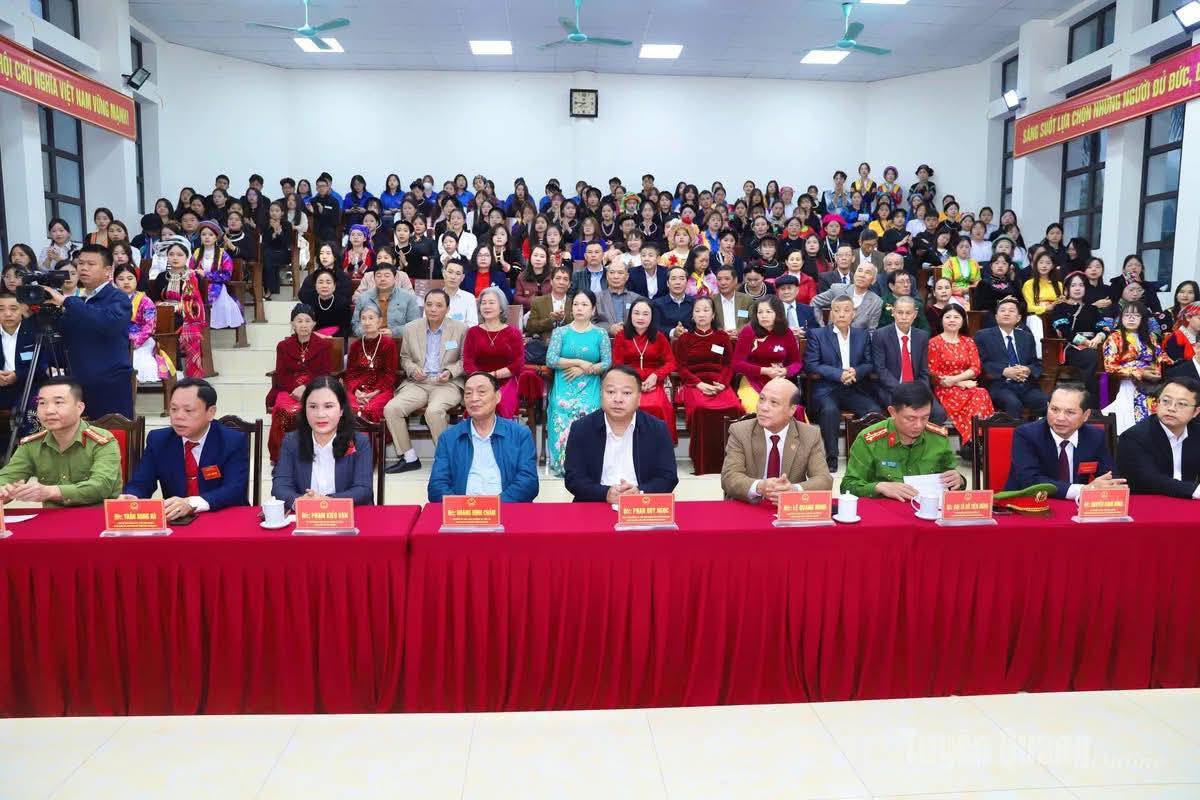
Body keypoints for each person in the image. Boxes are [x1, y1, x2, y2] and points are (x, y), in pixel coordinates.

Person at [121, 378, 249, 517]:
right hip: (177, 519)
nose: (178, 416)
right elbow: (141, 483)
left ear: (210, 412)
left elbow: (234, 490)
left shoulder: (232, 441)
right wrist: (133, 496)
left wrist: (191, 503)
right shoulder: (158, 440)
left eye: (188, 410)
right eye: (174, 409)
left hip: (222, 517)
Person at [42, 243, 134, 419]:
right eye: (81, 263)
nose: (83, 268)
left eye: (91, 264)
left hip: (109, 384)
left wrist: (66, 302)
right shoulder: (80, 301)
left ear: (108, 270)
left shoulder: (118, 298)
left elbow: (108, 323)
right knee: (77, 434)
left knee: (111, 433)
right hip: (76, 383)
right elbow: (63, 337)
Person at [563, 365, 679, 503]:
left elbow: (668, 477)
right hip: (595, 502)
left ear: (639, 398)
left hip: (642, 506)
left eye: (627, 393)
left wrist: (640, 492)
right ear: (601, 394)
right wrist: (605, 493)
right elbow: (573, 478)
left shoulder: (657, 429)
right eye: (611, 391)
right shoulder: (581, 428)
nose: (618, 399)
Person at [0, 378, 121, 507]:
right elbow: (7, 477)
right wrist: (4, 491)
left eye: (58, 402)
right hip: (51, 517)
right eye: (42, 403)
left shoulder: (102, 440)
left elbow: (102, 486)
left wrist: (51, 492)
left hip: (95, 516)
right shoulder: (31, 444)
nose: (49, 411)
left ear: (79, 408)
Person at [384, 290, 468, 473]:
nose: (433, 309)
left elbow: (465, 360)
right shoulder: (411, 328)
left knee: (434, 411)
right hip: (418, 383)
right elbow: (405, 358)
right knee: (392, 408)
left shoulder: (460, 329)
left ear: (447, 309)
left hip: (446, 383)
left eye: (439, 305)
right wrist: (413, 370)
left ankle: (447, 460)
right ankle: (409, 458)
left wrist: (450, 372)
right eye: (429, 305)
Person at [427, 372, 539, 502]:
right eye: (468, 393)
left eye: (481, 392)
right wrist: (463, 506)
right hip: (463, 511)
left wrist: (493, 506)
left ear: (497, 396)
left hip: (506, 508)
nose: (474, 398)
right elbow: (436, 486)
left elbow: (528, 483)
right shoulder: (448, 438)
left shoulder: (520, 434)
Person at [841, 381, 963, 499]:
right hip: (884, 509)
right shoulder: (870, 440)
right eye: (911, 418)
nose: (919, 425)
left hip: (925, 508)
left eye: (925, 418)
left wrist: (959, 480)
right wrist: (878, 487)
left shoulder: (938, 438)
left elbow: (951, 479)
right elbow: (847, 485)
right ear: (893, 412)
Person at [720, 377, 832, 502]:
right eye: (761, 399)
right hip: (749, 505)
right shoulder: (740, 431)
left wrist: (794, 490)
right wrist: (759, 487)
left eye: (774, 403)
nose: (763, 407)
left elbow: (824, 480)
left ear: (792, 410)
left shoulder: (809, 435)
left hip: (788, 508)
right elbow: (729, 478)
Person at [272, 376, 374, 508]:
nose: (320, 414)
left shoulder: (359, 442)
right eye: (313, 406)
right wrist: (299, 502)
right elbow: (280, 487)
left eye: (328, 406)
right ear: (305, 409)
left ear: (341, 410)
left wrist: (324, 501)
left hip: (347, 516)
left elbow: (363, 490)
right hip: (305, 516)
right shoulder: (291, 441)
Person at [1005, 383, 1121, 499]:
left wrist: (1108, 485)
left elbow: (1109, 477)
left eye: (1070, 412)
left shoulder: (1095, 436)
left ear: (1086, 415)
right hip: (1030, 503)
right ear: (1047, 407)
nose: (1060, 418)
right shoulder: (1026, 434)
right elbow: (1030, 481)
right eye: (1054, 409)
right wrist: (1083, 490)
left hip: (1075, 505)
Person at [806, 295, 881, 471]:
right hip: (827, 389)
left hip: (854, 388)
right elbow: (811, 364)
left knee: (874, 412)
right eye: (837, 310)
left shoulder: (862, 335)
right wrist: (838, 374)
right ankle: (831, 458)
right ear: (831, 313)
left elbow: (869, 363)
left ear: (853, 314)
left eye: (846, 310)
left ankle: (867, 457)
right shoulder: (818, 335)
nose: (841, 314)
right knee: (830, 411)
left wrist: (856, 371)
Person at [674, 296, 743, 474]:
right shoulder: (685, 339)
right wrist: (699, 384)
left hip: (720, 384)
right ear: (692, 316)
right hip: (694, 384)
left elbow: (729, 365)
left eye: (706, 310)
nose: (702, 314)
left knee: (734, 407)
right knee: (700, 409)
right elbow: (681, 367)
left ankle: (732, 462)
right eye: (697, 311)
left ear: (713, 315)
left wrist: (722, 384)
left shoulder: (722, 337)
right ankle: (703, 462)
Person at [546, 289, 611, 476]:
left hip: (589, 384)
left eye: (584, 305)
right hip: (564, 386)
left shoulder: (600, 334)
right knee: (560, 407)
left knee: (589, 409)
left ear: (593, 309)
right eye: (575, 304)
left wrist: (584, 369)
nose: (579, 308)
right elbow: (551, 360)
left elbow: (606, 362)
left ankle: (586, 465)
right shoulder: (560, 332)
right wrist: (579, 362)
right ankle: (563, 465)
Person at [266, 304, 334, 462]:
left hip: (316, 388)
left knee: (314, 410)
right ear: (293, 324)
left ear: (314, 324)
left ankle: (311, 454)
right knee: (283, 411)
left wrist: (306, 388)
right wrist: (295, 389)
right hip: (288, 388)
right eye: (299, 321)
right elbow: (281, 374)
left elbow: (324, 373)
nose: (303, 325)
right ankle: (280, 457)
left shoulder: (324, 346)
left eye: (307, 321)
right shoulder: (283, 346)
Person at [1116, 377, 1200, 498]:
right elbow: (1149, 480)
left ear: (1196, 412)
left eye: (1181, 404)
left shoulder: (1196, 433)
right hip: (1150, 502)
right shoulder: (1133, 438)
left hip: (1189, 501)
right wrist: (1194, 490)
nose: (1171, 408)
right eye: (1166, 401)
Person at [928, 303, 993, 452]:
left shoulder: (968, 342)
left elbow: (975, 368)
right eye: (948, 317)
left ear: (963, 320)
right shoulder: (934, 343)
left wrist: (956, 380)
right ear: (941, 320)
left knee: (981, 393)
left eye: (956, 317)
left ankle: (976, 441)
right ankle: (973, 443)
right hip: (945, 389)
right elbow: (934, 373)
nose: (952, 320)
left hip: (965, 385)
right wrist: (960, 383)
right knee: (976, 395)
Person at [611, 298, 677, 441]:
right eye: (636, 313)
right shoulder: (621, 336)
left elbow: (671, 363)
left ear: (652, 316)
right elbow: (617, 364)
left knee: (657, 406)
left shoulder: (659, 337)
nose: (640, 317)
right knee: (629, 406)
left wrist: (656, 376)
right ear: (630, 315)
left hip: (653, 382)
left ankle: (657, 445)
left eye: (645, 314)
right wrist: (634, 382)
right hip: (627, 382)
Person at [975, 297, 1048, 419]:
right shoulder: (983, 336)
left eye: (1011, 310)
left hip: (1025, 385)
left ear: (1018, 318)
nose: (1006, 313)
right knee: (1013, 404)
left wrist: (1028, 370)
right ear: (996, 317)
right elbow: (980, 363)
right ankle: (1014, 432)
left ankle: (1037, 430)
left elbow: (1035, 363)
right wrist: (1004, 371)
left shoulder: (1027, 337)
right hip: (1000, 385)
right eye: (1002, 310)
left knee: (1046, 402)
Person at [1101, 300, 1167, 433]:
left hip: (1151, 381)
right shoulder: (1114, 337)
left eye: (1136, 315)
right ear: (1121, 318)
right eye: (1127, 315)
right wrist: (1139, 372)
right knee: (1129, 413)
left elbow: (1161, 356)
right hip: (1128, 380)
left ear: (1143, 319)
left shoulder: (1150, 338)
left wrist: (1157, 370)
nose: (1131, 318)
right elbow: (1110, 366)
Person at [872, 296, 942, 419]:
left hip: (916, 388)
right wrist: (903, 390)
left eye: (908, 313)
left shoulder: (922, 336)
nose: (904, 317)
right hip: (891, 388)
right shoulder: (880, 335)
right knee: (906, 414)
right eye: (900, 312)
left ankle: (922, 432)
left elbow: (924, 371)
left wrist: (920, 390)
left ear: (915, 314)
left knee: (938, 414)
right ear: (893, 312)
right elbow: (881, 370)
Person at [733, 296, 804, 414]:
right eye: (760, 312)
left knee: (792, 411)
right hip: (752, 380)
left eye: (768, 312)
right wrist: (765, 371)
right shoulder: (749, 331)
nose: (763, 316)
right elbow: (737, 364)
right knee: (757, 408)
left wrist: (785, 371)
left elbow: (796, 363)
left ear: (778, 313)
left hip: (778, 381)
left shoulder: (786, 333)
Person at [463, 286, 525, 419]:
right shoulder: (473, 332)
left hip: (505, 382)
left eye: (491, 303)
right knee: (479, 405)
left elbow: (518, 364)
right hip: (479, 381)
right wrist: (482, 378)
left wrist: (493, 375)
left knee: (500, 405)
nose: (487, 306)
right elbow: (468, 362)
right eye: (483, 303)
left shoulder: (513, 333)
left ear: (501, 307)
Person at [113, 264, 172, 384]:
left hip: (141, 340)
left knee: (137, 359)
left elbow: (149, 327)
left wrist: (135, 342)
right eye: (121, 279)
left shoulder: (145, 301)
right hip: (117, 339)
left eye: (130, 278)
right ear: (115, 282)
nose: (126, 282)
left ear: (136, 280)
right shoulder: (110, 300)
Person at [344, 303, 398, 424]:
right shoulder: (355, 346)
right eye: (363, 318)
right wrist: (357, 392)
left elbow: (389, 375)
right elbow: (350, 375)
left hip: (381, 390)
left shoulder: (388, 344)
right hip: (357, 390)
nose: (367, 322)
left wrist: (373, 393)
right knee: (348, 408)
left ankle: (373, 437)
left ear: (379, 321)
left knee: (370, 409)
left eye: (371, 318)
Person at [351, 262, 419, 339]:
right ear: (374, 278)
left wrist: (394, 333)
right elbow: (355, 324)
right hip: (369, 341)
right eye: (378, 276)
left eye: (387, 276)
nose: (382, 279)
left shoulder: (408, 297)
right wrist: (369, 332)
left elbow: (415, 325)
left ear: (395, 278)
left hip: (399, 342)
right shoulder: (363, 297)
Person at [810, 263, 883, 330]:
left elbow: (871, 331)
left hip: (857, 338)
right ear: (854, 274)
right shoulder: (838, 289)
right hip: (832, 336)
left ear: (873, 280)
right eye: (860, 271)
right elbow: (815, 302)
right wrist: (821, 328)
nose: (862, 275)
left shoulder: (876, 302)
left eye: (867, 273)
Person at [595, 261, 643, 333]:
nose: (616, 276)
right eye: (612, 272)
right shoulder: (597, 298)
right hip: (604, 338)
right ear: (607, 276)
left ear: (627, 277)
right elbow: (589, 322)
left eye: (620, 273)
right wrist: (609, 328)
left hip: (630, 338)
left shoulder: (637, 299)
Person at [651, 266, 695, 338]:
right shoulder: (657, 304)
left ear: (687, 282)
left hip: (691, 341)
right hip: (665, 342)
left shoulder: (695, 303)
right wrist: (673, 332)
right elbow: (654, 327)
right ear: (667, 283)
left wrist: (685, 331)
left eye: (682, 279)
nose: (678, 282)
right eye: (673, 279)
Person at [712, 264, 755, 334]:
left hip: (742, 337)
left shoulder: (746, 299)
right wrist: (722, 333)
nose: (722, 283)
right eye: (719, 279)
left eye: (727, 279)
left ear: (735, 280)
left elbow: (753, 320)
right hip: (719, 338)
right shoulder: (712, 301)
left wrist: (739, 331)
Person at [1164, 302, 1200, 380]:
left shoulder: (1197, 336)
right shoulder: (1176, 337)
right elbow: (1175, 367)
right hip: (1182, 380)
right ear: (1188, 317)